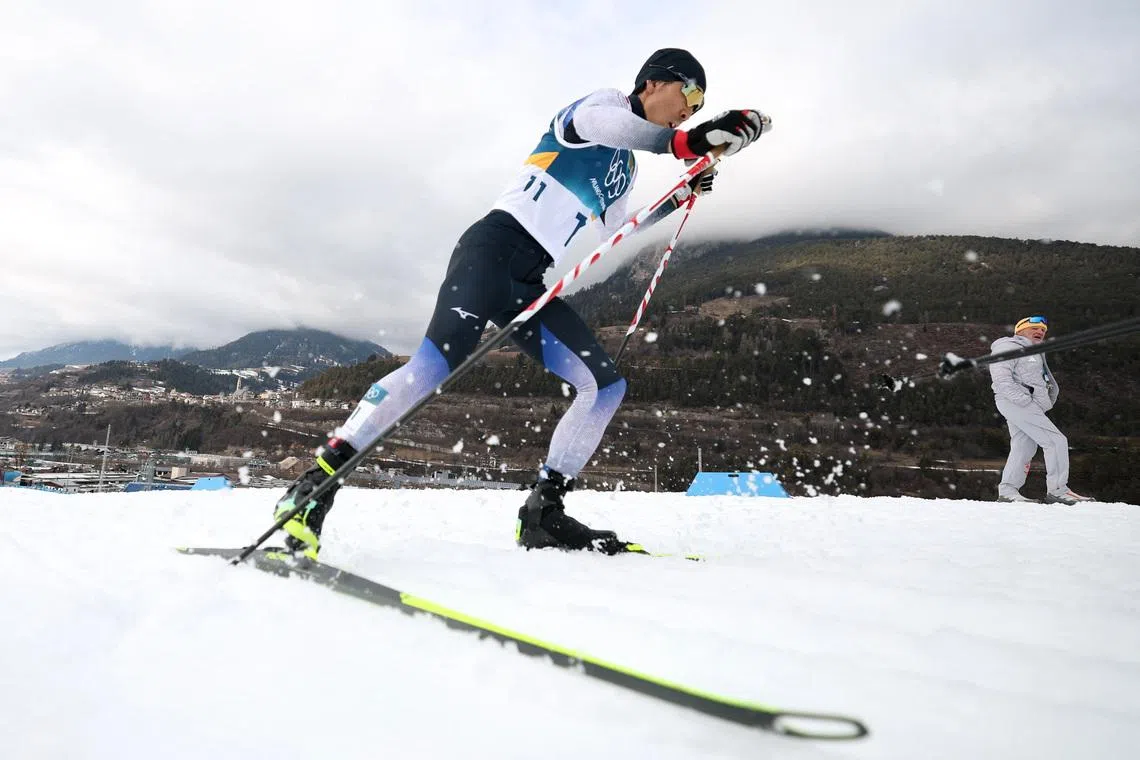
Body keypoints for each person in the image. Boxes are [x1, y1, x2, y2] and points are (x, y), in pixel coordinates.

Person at [273, 48, 771, 558]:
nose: (692, 107)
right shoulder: (600, 111)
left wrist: (678, 196)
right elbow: (611, 126)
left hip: (528, 281)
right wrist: (686, 143)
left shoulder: (624, 167)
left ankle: (543, 513)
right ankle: (311, 490)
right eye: (690, 95)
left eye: (700, 104)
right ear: (654, 84)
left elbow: (621, 227)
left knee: (603, 386)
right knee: (429, 372)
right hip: (491, 252)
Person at [989, 315, 1094, 505]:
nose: (1040, 332)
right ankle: (1058, 490)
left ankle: (1007, 491)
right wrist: (1024, 401)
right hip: (1015, 401)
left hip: (1020, 403)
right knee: (1055, 441)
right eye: (1035, 328)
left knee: (1024, 446)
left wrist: (1042, 401)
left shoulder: (1034, 351)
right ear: (1020, 330)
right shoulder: (1009, 346)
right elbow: (1001, 377)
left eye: (1043, 331)